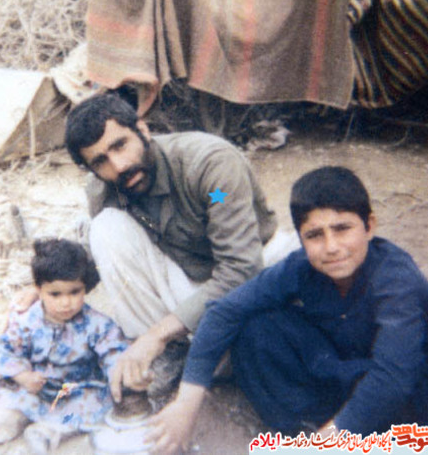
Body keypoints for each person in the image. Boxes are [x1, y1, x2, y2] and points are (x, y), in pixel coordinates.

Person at [147, 166, 428, 454]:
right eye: (315, 235)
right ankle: (308, 433)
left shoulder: (395, 277)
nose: (331, 246)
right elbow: (224, 312)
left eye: (342, 229)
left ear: (369, 226)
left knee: (404, 396)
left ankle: (335, 439)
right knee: (256, 328)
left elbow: (393, 376)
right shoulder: (301, 266)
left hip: (411, 389)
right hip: (350, 369)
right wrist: (186, 403)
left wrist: (333, 439)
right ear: (301, 239)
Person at [63, 93, 290, 404]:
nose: (119, 165)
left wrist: (156, 334)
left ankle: (199, 350)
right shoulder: (105, 189)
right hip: (192, 279)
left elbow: (241, 268)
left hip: (256, 269)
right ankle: (175, 353)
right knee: (105, 228)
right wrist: (50, 284)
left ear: (143, 130)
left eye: (120, 145)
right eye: (100, 161)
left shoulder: (210, 164)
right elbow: (104, 259)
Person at [0, 238, 128, 455]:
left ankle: (45, 432)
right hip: (34, 387)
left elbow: (114, 352)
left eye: (74, 292)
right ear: (38, 289)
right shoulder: (26, 321)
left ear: (84, 288)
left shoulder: (97, 324)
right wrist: (22, 376)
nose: (66, 302)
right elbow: (8, 351)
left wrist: (117, 375)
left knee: (93, 406)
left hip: (74, 390)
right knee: (11, 407)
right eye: (55, 294)